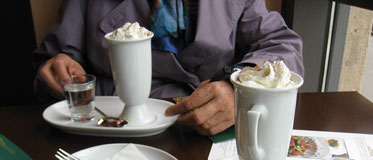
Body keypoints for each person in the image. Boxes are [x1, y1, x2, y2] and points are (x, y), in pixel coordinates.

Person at [33, 0, 304, 136]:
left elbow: (282, 45)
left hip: (208, 135)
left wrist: (239, 89)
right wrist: (56, 69)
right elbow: (53, 62)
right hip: (113, 129)